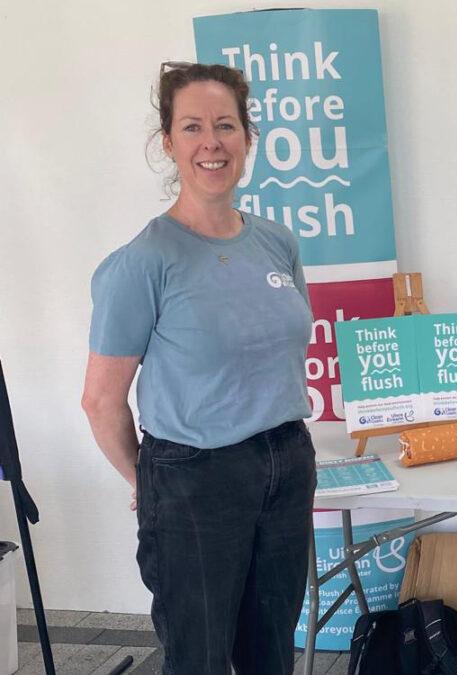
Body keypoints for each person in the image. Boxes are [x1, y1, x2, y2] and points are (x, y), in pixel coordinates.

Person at [81, 62, 315, 674]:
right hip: (194, 479)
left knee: (271, 651)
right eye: (192, 127)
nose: (211, 142)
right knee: (200, 658)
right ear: (169, 143)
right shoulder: (143, 262)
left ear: (247, 137)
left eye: (225, 125)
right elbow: (101, 402)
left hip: (287, 462)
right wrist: (149, 483)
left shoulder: (277, 242)